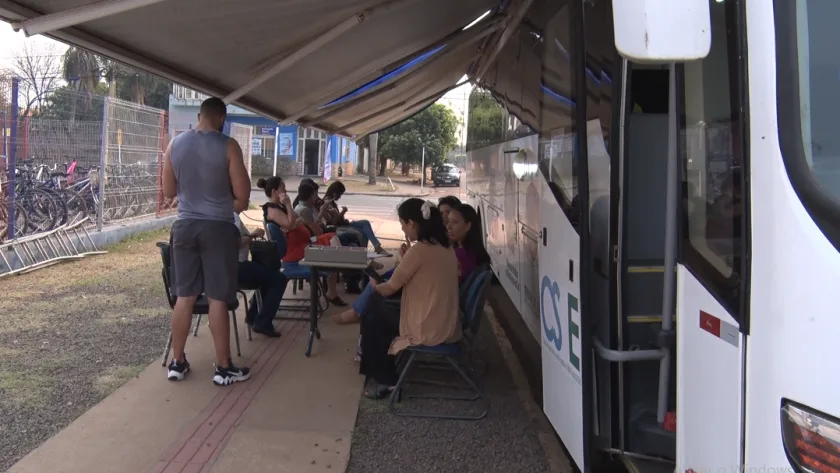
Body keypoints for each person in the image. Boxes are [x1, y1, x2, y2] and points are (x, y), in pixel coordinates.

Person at [162, 96, 252, 386]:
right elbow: (243, 196)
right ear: (222, 119)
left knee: (184, 296)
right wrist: (223, 204)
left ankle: (177, 362)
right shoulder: (228, 146)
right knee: (216, 297)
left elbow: (167, 191)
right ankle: (223, 367)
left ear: (199, 115)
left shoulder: (174, 145)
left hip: (184, 227)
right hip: (218, 230)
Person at [359, 199, 462, 399]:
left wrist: (373, 285)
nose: (404, 230)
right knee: (375, 314)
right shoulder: (445, 246)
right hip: (444, 320)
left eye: (403, 225)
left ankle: (385, 379)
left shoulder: (420, 250)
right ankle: (381, 375)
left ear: (412, 223)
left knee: (373, 307)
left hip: (429, 327)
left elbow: (389, 288)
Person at [257, 176, 348, 306]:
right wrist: (289, 206)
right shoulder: (273, 210)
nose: (286, 191)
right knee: (331, 250)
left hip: (303, 244)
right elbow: (290, 223)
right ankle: (341, 274)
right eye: (283, 188)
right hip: (296, 250)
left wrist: (293, 221)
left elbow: (297, 220)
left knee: (332, 239)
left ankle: (340, 273)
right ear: (274, 192)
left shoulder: (280, 207)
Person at [235, 212, 288, 338]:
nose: (247, 201)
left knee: (267, 275)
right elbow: (235, 244)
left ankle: (254, 317)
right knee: (278, 279)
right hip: (236, 267)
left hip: (228, 268)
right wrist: (253, 235)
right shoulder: (232, 216)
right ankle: (263, 322)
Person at [321, 181, 391, 256]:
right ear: (334, 193)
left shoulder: (331, 202)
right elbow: (334, 223)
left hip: (344, 223)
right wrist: (342, 212)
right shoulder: (326, 203)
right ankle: (362, 254)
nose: (339, 197)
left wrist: (342, 214)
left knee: (365, 223)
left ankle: (376, 247)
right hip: (339, 226)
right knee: (362, 232)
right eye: (339, 194)